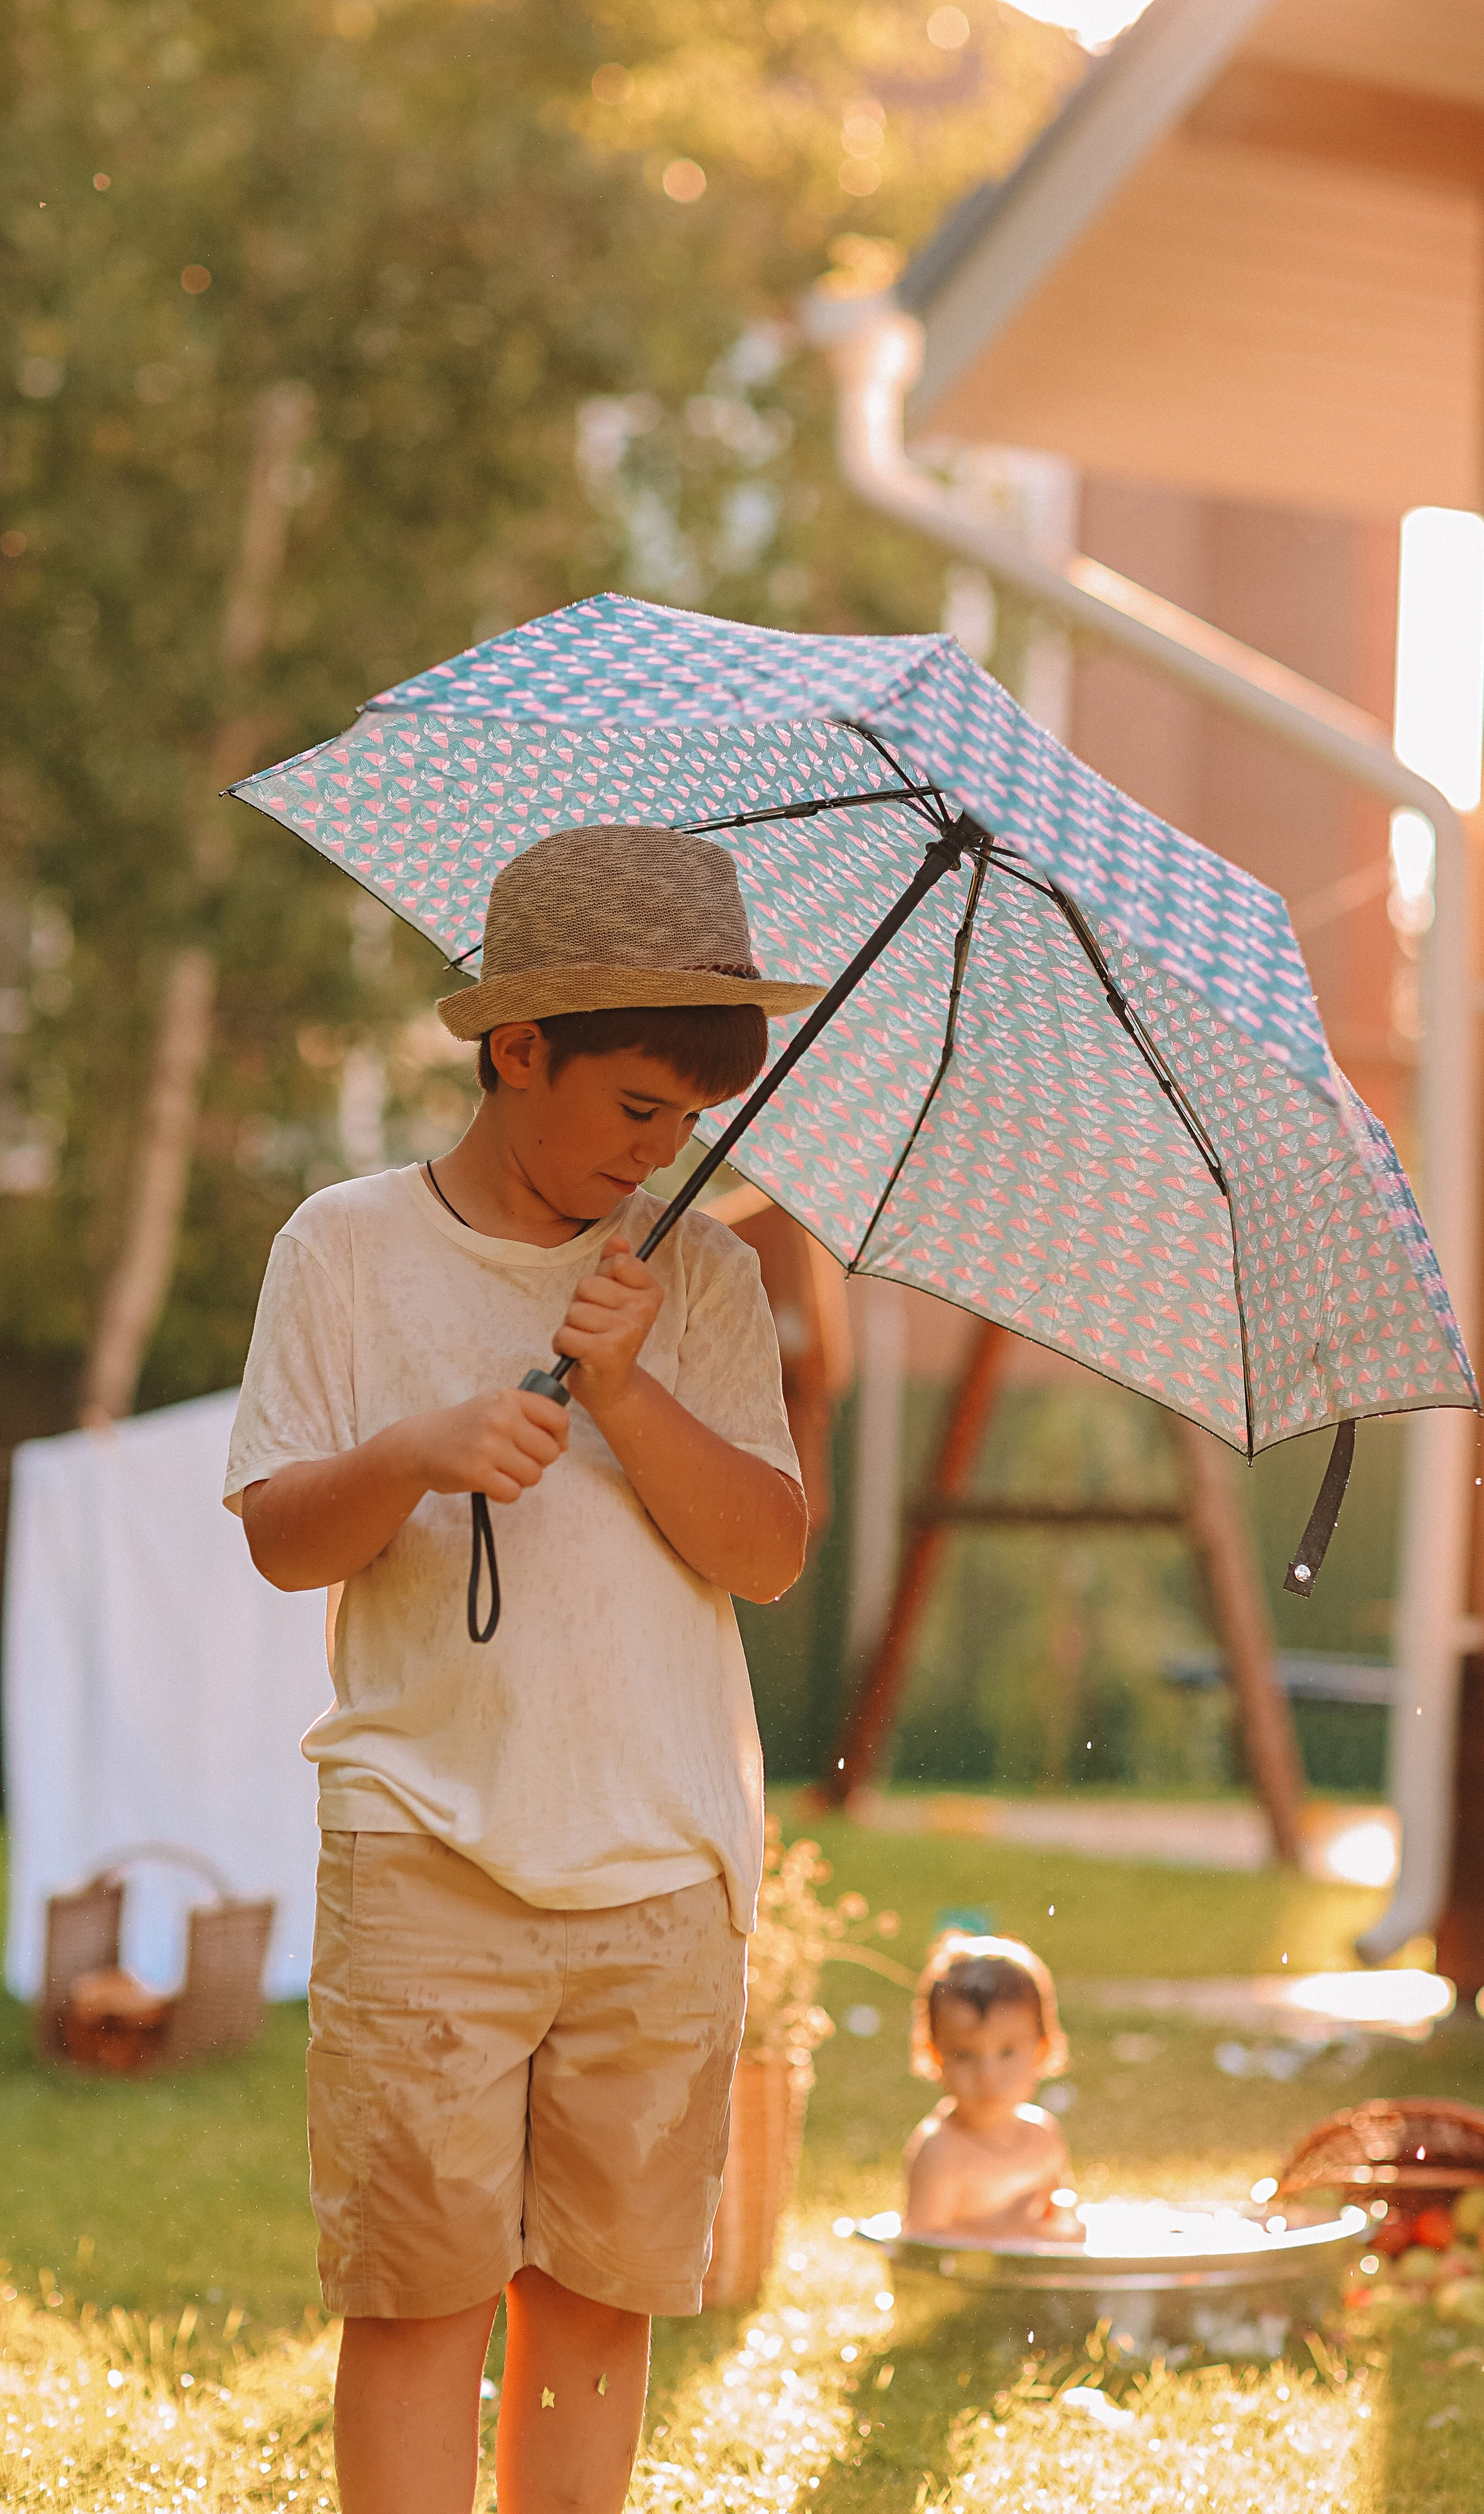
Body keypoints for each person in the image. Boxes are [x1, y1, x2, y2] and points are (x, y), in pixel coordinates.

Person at [226, 823, 826, 2514]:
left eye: (686, 1123)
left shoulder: (698, 1275)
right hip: (427, 1849)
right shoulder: (345, 1249)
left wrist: (629, 1391)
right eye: (632, 1107)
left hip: (662, 1869)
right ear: (517, 1051)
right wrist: (410, 1452)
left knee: (596, 2305)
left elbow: (766, 1552)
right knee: (415, 2293)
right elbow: (282, 1539)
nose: (658, 1153)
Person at [902, 1931, 1081, 2241]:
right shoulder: (942, 2152)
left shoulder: (1043, 2136)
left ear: (1042, 2050)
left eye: (1007, 2052)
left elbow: (1063, 2218)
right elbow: (923, 2249)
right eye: (964, 2055)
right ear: (935, 2056)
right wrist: (1011, 2234)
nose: (988, 2075)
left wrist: (1066, 2228)